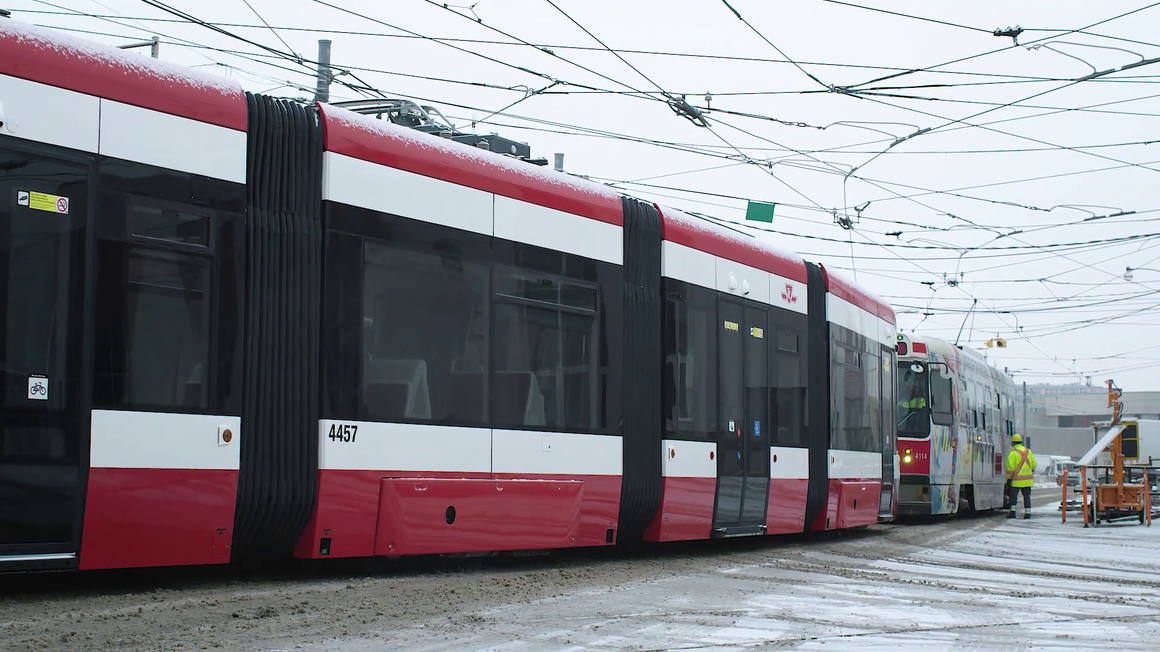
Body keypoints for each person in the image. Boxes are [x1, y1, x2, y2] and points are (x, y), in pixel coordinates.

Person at [1006, 433, 1037, 519]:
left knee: (1013, 497)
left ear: (1013, 443)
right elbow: (1034, 464)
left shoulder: (1013, 454)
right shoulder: (1028, 451)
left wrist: (1008, 479)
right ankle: (1027, 513)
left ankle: (1012, 513)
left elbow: (1010, 468)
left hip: (1016, 481)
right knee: (1027, 497)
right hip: (1028, 480)